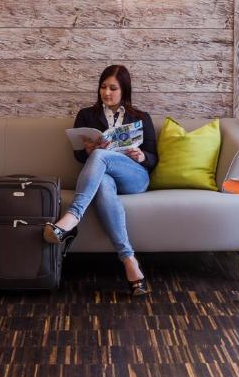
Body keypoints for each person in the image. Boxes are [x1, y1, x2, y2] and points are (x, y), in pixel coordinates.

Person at [43, 65, 157, 296]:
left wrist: (142, 155)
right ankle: (129, 262)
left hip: (134, 177)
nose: (106, 92)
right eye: (103, 87)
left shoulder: (141, 118)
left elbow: (154, 158)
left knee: (101, 155)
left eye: (113, 88)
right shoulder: (86, 115)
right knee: (103, 181)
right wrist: (88, 149)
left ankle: (72, 217)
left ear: (124, 90)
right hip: (105, 178)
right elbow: (78, 156)